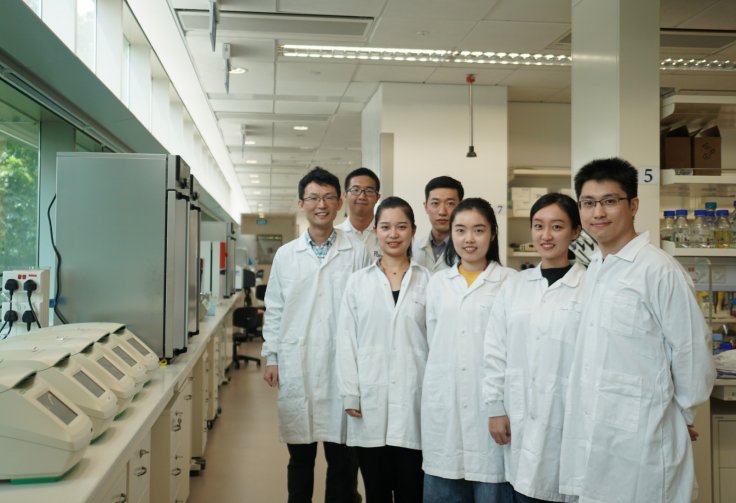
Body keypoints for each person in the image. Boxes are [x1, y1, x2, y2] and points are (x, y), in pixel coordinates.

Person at [559, 158, 715, 503]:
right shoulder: (597, 267)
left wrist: (681, 415)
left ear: (633, 205)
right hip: (602, 434)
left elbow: (691, 352)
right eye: (588, 203)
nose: (598, 212)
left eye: (609, 201)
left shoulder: (658, 270)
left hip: (646, 438)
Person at [261, 167, 371, 503]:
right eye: (313, 198)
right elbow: (276, 308)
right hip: (300, 365)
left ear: (339, 203)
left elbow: (366, 311)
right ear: (301, 203)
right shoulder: (286, 255)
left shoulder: (357, 251)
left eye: (327, 198)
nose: (320, 204)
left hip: (343, 367)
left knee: (343, 459)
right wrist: (273, 356)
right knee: (301, 458)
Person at [484, 193, 584, 503]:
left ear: (576, 232)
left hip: (571, 416)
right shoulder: (515, 285)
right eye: (538, 226)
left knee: (568, 485)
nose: (546, 235)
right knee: (526, 489)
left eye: (557, 226)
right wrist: (495, 408)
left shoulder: (591, 285)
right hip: (520, 415)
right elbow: (495, 350)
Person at [421, 198, 516, 503]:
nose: (469, 239)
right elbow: (434, 344)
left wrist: (500, 405)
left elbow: (513, 352)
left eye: (478, 230)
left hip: (491, 409)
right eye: (460, 230)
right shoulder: (438, 284)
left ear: (493, 233)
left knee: (492, 487)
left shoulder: (511, 283)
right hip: (444, 407)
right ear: (451, 234)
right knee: (444, 486)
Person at [336, 196, 430, 503]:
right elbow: (347, 340)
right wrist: (351, 392)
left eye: (401, 227)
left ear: (413, 230)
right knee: (375, 491)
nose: (393, 234)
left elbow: (437, 345)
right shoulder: (358, 283)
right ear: (376, 230)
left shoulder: (428, 281)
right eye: (386, 227)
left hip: (414, 401)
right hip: (370, 402)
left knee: (411, 491)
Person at [412, 176, 464, 273]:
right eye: (435, 203)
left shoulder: (467, 248)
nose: (442, 212)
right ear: (426, 206)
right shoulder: (413, 247)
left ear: (460, 208)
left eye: (450, 203)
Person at [336, 167, 382, 261]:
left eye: (369, 191)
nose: (362, 196)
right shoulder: (334, 235)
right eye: (355, 190)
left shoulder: (388, 235)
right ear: (345, 196)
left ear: (377, 197)